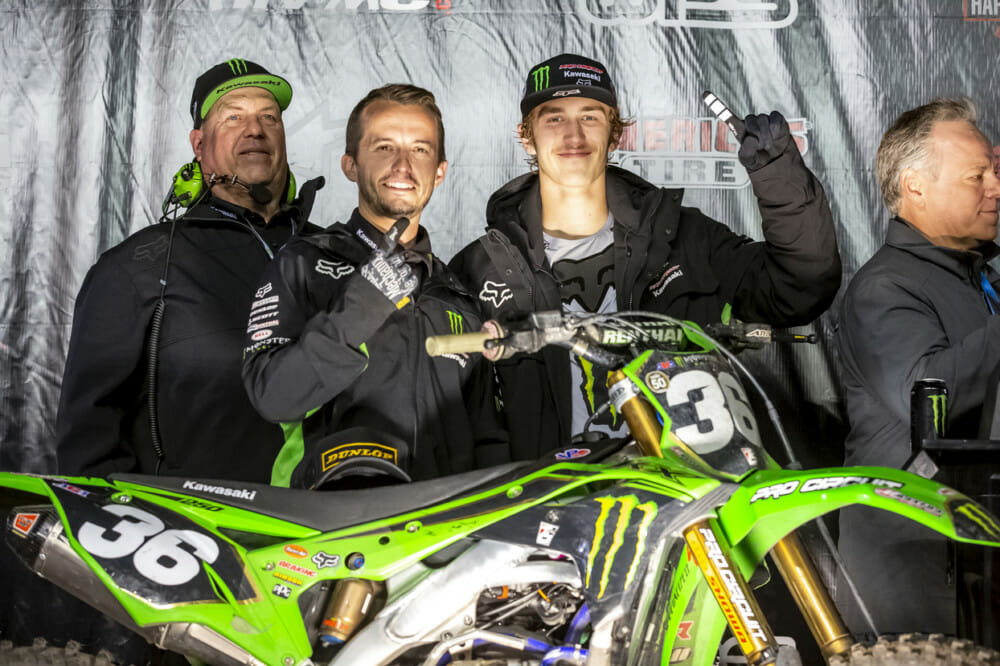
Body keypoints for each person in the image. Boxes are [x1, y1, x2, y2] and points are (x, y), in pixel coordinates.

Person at [449, 53, 841, 458]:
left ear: (615, 134)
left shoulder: (684, 237)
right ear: (527, 136)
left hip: (682, 489)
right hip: (550, 493)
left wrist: (779, 174)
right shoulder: (481, 268)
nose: (573, 135)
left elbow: (799, 287)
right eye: (554, 118)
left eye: (590, 117)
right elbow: (459, 423)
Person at [54, 58, 322, 483]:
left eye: (269, 117)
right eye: (233, 117)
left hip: (333, 517)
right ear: (199, 144)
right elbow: (89, 443)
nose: (256, 129)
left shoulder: (333, 254)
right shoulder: (136, 267)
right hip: (195, 520)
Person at [242, 84, 504, 489]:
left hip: (439, 524)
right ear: (350, 165)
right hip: (326, 519)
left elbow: (488, 442)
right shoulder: (304, 264)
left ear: (440, 171)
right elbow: (272, 395)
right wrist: (362, 304)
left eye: (420, 149)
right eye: (384, 147)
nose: (403, 165)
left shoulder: (458, 297)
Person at [835, 97, 1000, 636]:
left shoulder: (977, 281)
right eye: (977, 176)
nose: (996, 188)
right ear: (916, 186)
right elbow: (931, 396)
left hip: (971, 564)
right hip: (918, 583)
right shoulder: (885, 288)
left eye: (994, 172)